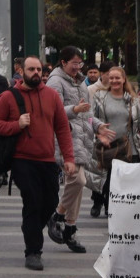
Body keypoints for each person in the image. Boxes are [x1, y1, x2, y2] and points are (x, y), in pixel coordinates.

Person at [0, 56, 75, 271]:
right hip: (22, 160)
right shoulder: (8, 97)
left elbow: (62, 128)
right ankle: (33, 251)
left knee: (50, 201)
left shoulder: (52, 96)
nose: (36, 72)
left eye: (39, 69)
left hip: (47, 160)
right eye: (31, 69)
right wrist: (17, 125)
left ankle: (32, 227)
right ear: (21, 71)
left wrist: (69, 158)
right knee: (33, 203)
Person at [45, 46, 113, 255]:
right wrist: (73, 110)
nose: (77, 67)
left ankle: (70, 229)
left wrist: (98, 126)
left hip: (82, 139)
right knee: (78, 181)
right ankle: (57, 215)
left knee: (77, 184)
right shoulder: (55, 82)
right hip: (64, 139)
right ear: (63, 63)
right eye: (73, 63)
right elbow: (52, 112)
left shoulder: (82, 83)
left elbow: (88, 113)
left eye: (79, 63)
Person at [90, 66, 140, 218]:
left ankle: (128, 214)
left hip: (130, 148)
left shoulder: (132, 99)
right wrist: (99, 134)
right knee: (111, 183)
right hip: (110, 147)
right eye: (112, 78)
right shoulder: (100, 97)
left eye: (118, 78)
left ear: (123, 79)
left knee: (131, 184)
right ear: (108, 79)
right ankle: (111, 213)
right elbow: (91, 119)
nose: (115, 81)